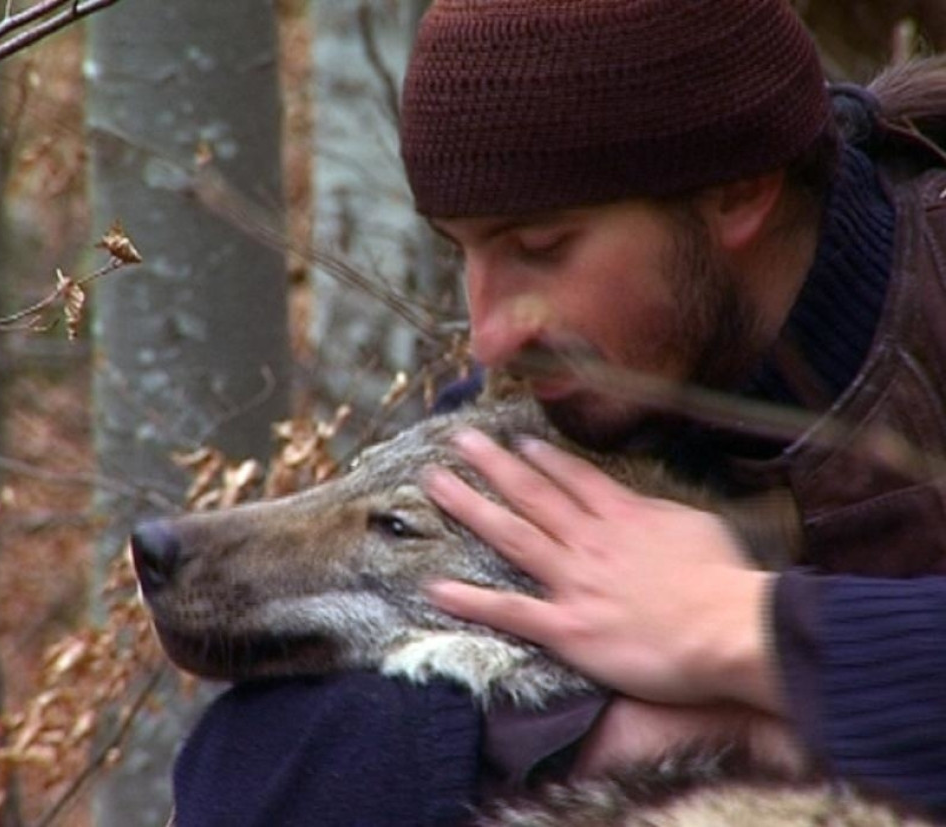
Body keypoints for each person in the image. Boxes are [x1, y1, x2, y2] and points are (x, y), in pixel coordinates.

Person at [172, 1, 946, 823]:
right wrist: (647, 732)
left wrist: (742, 624)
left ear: (738, 193)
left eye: (541, 248)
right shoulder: (581, 399)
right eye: (460, 250)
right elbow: (259, 761)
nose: (491, 337)